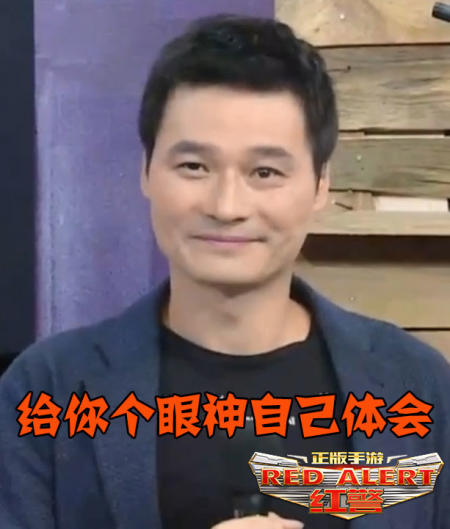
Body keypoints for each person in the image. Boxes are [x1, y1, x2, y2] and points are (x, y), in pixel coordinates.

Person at [0, 14, 449, 529]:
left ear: (321, 184)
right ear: (146, 171)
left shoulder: (416, 385)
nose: (227, 205)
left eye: (265, 172)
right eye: (194, 166)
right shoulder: (47, 389)